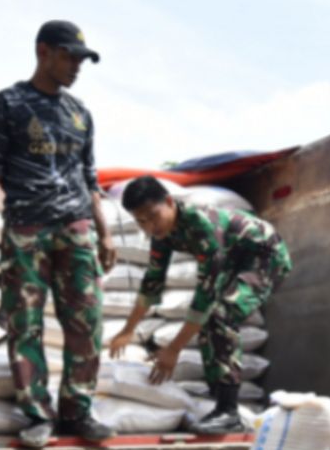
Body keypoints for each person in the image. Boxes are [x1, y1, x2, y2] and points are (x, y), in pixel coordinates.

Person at [0, 20, 116, 446]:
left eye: (82, 60)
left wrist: (103, 233)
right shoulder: (9, 104)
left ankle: (78, 411)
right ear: (43, 51)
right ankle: (37, 414)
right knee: (24, 324)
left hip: (76, 229)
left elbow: (89, 176)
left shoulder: (80, 113)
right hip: (27, 228)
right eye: (69, 56)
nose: (76, 67)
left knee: (87, 320)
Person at [108, 176, 291, 434]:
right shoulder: (161, 234)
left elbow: (205, 297)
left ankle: (229, 412)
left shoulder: (202, 226)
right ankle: (218, 394)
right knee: (206, 321)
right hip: (233, 257)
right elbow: (152, 281)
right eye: (141, 221)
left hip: (264, 256)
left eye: (152, 215)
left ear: (169, 202)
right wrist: (128, 329)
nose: (149, 226)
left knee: (219, 314)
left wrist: (173, 350)